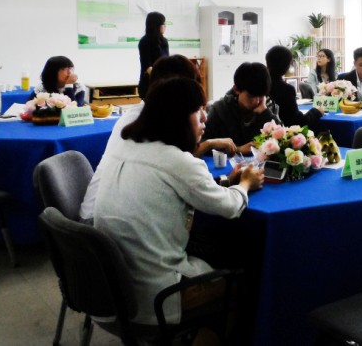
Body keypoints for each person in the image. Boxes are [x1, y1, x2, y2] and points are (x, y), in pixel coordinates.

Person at [94, 77, 263, 327]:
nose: (205, 118)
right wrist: (246, 183)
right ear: (176, 117)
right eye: (198, 110)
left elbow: (180, 189)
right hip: (156, 297)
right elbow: (229, 207)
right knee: (249, 281)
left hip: (110, 293)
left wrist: (227, 180)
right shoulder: (177, 161)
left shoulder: (127, 148)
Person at [79, 54, 236, 223]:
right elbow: (176, 166)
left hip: (110, 216)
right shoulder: (145, 122)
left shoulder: (144, 116)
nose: (203, 115)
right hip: (100, 222)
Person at [203, 62, 278, 154]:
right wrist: (237, 150)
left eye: (261, 96)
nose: (257, 101)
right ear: (236, 89)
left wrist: (265, 113)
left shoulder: (268, 107)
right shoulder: (219, 110)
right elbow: (203, 146)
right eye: (251, 96)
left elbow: (283, 139)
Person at [267, 46, 325, 129]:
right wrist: (316, 111)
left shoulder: (260, 85)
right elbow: (297, 122)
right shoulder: (286, 90)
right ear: (287, 66)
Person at [138, 11, 170, 99]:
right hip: (149, 84)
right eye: (163, 24)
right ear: (156, 26)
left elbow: (167, 61)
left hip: (163, 82)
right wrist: (162, 78)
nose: (165, 26)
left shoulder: (164, 41)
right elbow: (147, 66)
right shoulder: (144, 41)